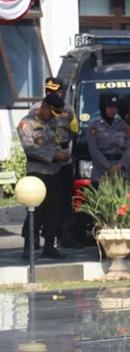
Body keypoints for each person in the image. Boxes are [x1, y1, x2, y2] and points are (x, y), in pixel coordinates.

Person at [29, 77, 82, 249]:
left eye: (54, 90)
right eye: (47, 90)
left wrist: (64, 151)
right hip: (43, 160)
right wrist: (53, 154)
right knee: (37, 202)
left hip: (62, 158)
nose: (50, 93)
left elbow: (74, 131)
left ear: (61, 91)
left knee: (62, 200)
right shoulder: (37, 109)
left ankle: (62, 236)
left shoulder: (68, 110)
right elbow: (32, 141)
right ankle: (32, 238)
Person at [17, 93, 70, 259]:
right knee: (36, 210)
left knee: (53, 210)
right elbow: (30, 148)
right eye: (51, 112)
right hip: (37, 172)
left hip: (54, 171)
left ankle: (49, 245)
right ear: (44, 107)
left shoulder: (53, 123)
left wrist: (61, 154)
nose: (53, 117)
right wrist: (53, 155)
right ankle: (29, 246)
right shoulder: (28, 123)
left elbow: (57, 142)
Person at [86, 92, 130, 185]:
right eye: (110, 107)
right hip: (101, 173)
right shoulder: (94, 127)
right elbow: (94, 151)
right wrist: (109, 168)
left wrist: (120, 165)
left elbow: (129, 148)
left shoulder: (123, 125)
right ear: (103, 107)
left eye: (115, 107)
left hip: (121, 172)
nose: (113, 110)